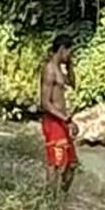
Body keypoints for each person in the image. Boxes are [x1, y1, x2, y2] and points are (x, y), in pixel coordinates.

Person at [40, 34, 78, 194]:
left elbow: (73, 83)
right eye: (69, 52)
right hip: (54, 121)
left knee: (72, 164)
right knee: (55, 163)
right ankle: (50, 200)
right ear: (62, 49)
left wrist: (69, 65)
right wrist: (67, 119)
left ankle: (61, 196)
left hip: (61, 121)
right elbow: (45, 103)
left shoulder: (59, 71)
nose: (70, 55)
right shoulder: (49, 70)